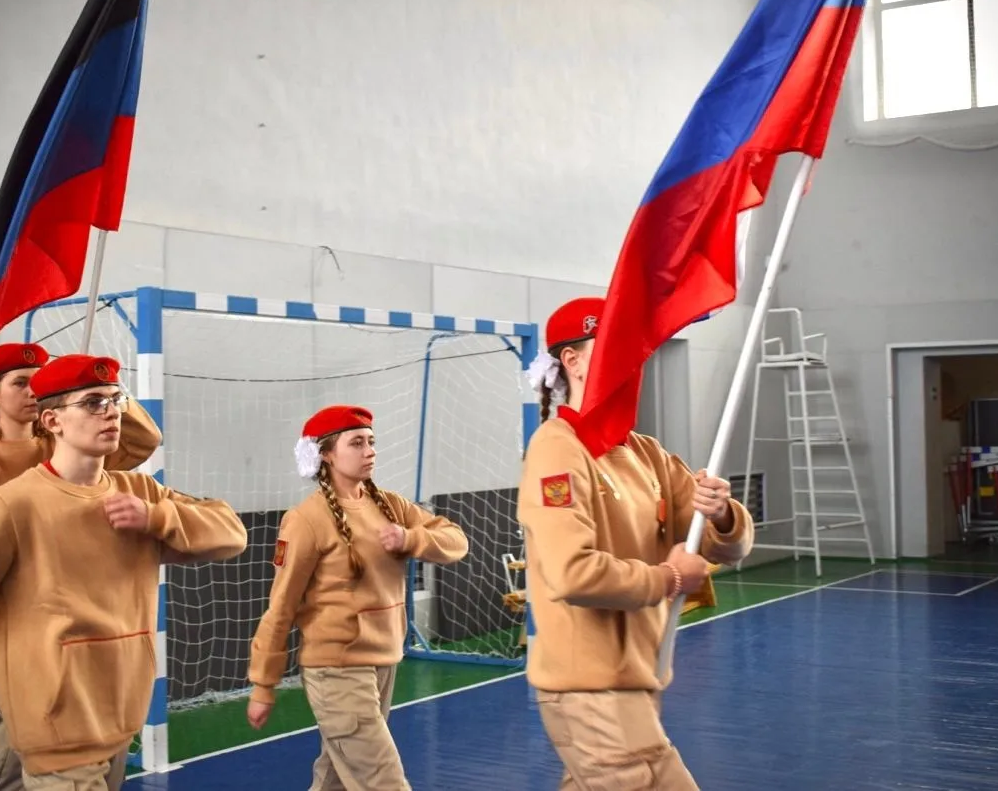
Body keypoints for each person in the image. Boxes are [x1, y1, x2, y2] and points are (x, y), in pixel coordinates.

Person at [0, 354, 249, 791]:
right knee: (10, 753)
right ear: (52, 420)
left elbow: (231, 532)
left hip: (117, 716)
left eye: (115, 400)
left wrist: (156, 517)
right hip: (54, 719)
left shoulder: (138, 492)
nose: (111, 413)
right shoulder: (8, 503)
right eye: (93, 403)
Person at [519, 296, 754, 790]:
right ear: (573, 361)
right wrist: (670, 577)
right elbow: (572, 574)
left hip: (640, 674)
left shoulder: (645, 452)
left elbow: (725, 546)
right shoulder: (557, 449)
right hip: (590, 687)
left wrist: (722, 513)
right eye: (612, 344)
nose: (629, 358)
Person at [0, 342, 163, 791]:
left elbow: (144, 440)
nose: (32, 391)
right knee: (26, 722)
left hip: (69, 608)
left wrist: (97, 384)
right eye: (20, 383)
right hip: (2, 613)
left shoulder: (60, 442)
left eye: (39, 382)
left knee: (88, 722)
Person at [245, 405, 469, 791]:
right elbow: (281, 607)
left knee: (336, 779)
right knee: (383, 781)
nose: (370, 451)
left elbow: (456, 540)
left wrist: (411, 538)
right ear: (326, 454)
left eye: (371, 442)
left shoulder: (391, 506)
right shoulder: (305, 520)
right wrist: (264, 684)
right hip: (337, 670)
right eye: (357, 443)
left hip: (383, 662)